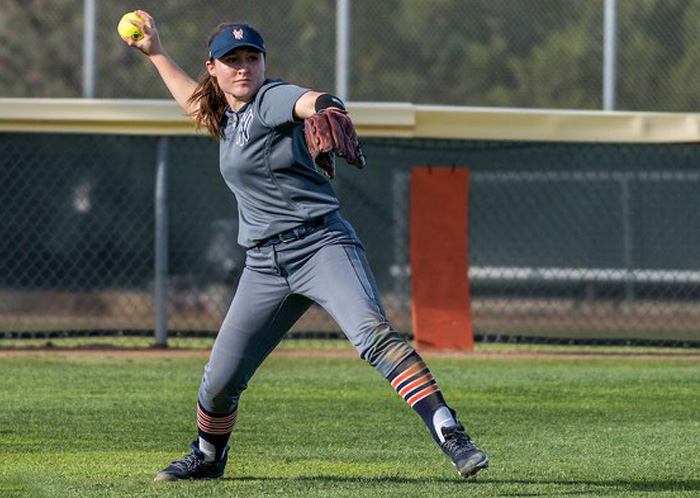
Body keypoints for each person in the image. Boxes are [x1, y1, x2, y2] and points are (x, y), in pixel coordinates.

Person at [120, 11, 489, 481]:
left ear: (263, 63)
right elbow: (192, 103)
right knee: (219, 380)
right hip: (263, 267)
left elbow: (308, 101)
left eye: (251, 57)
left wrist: (327, 107)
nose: (243, 67)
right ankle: (209, 457)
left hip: (320, 246)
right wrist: (155, 53)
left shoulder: (271, 98)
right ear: (212, 69)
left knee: (373, 336)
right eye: (231, 59)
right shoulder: (225, 117)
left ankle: (451, 433)